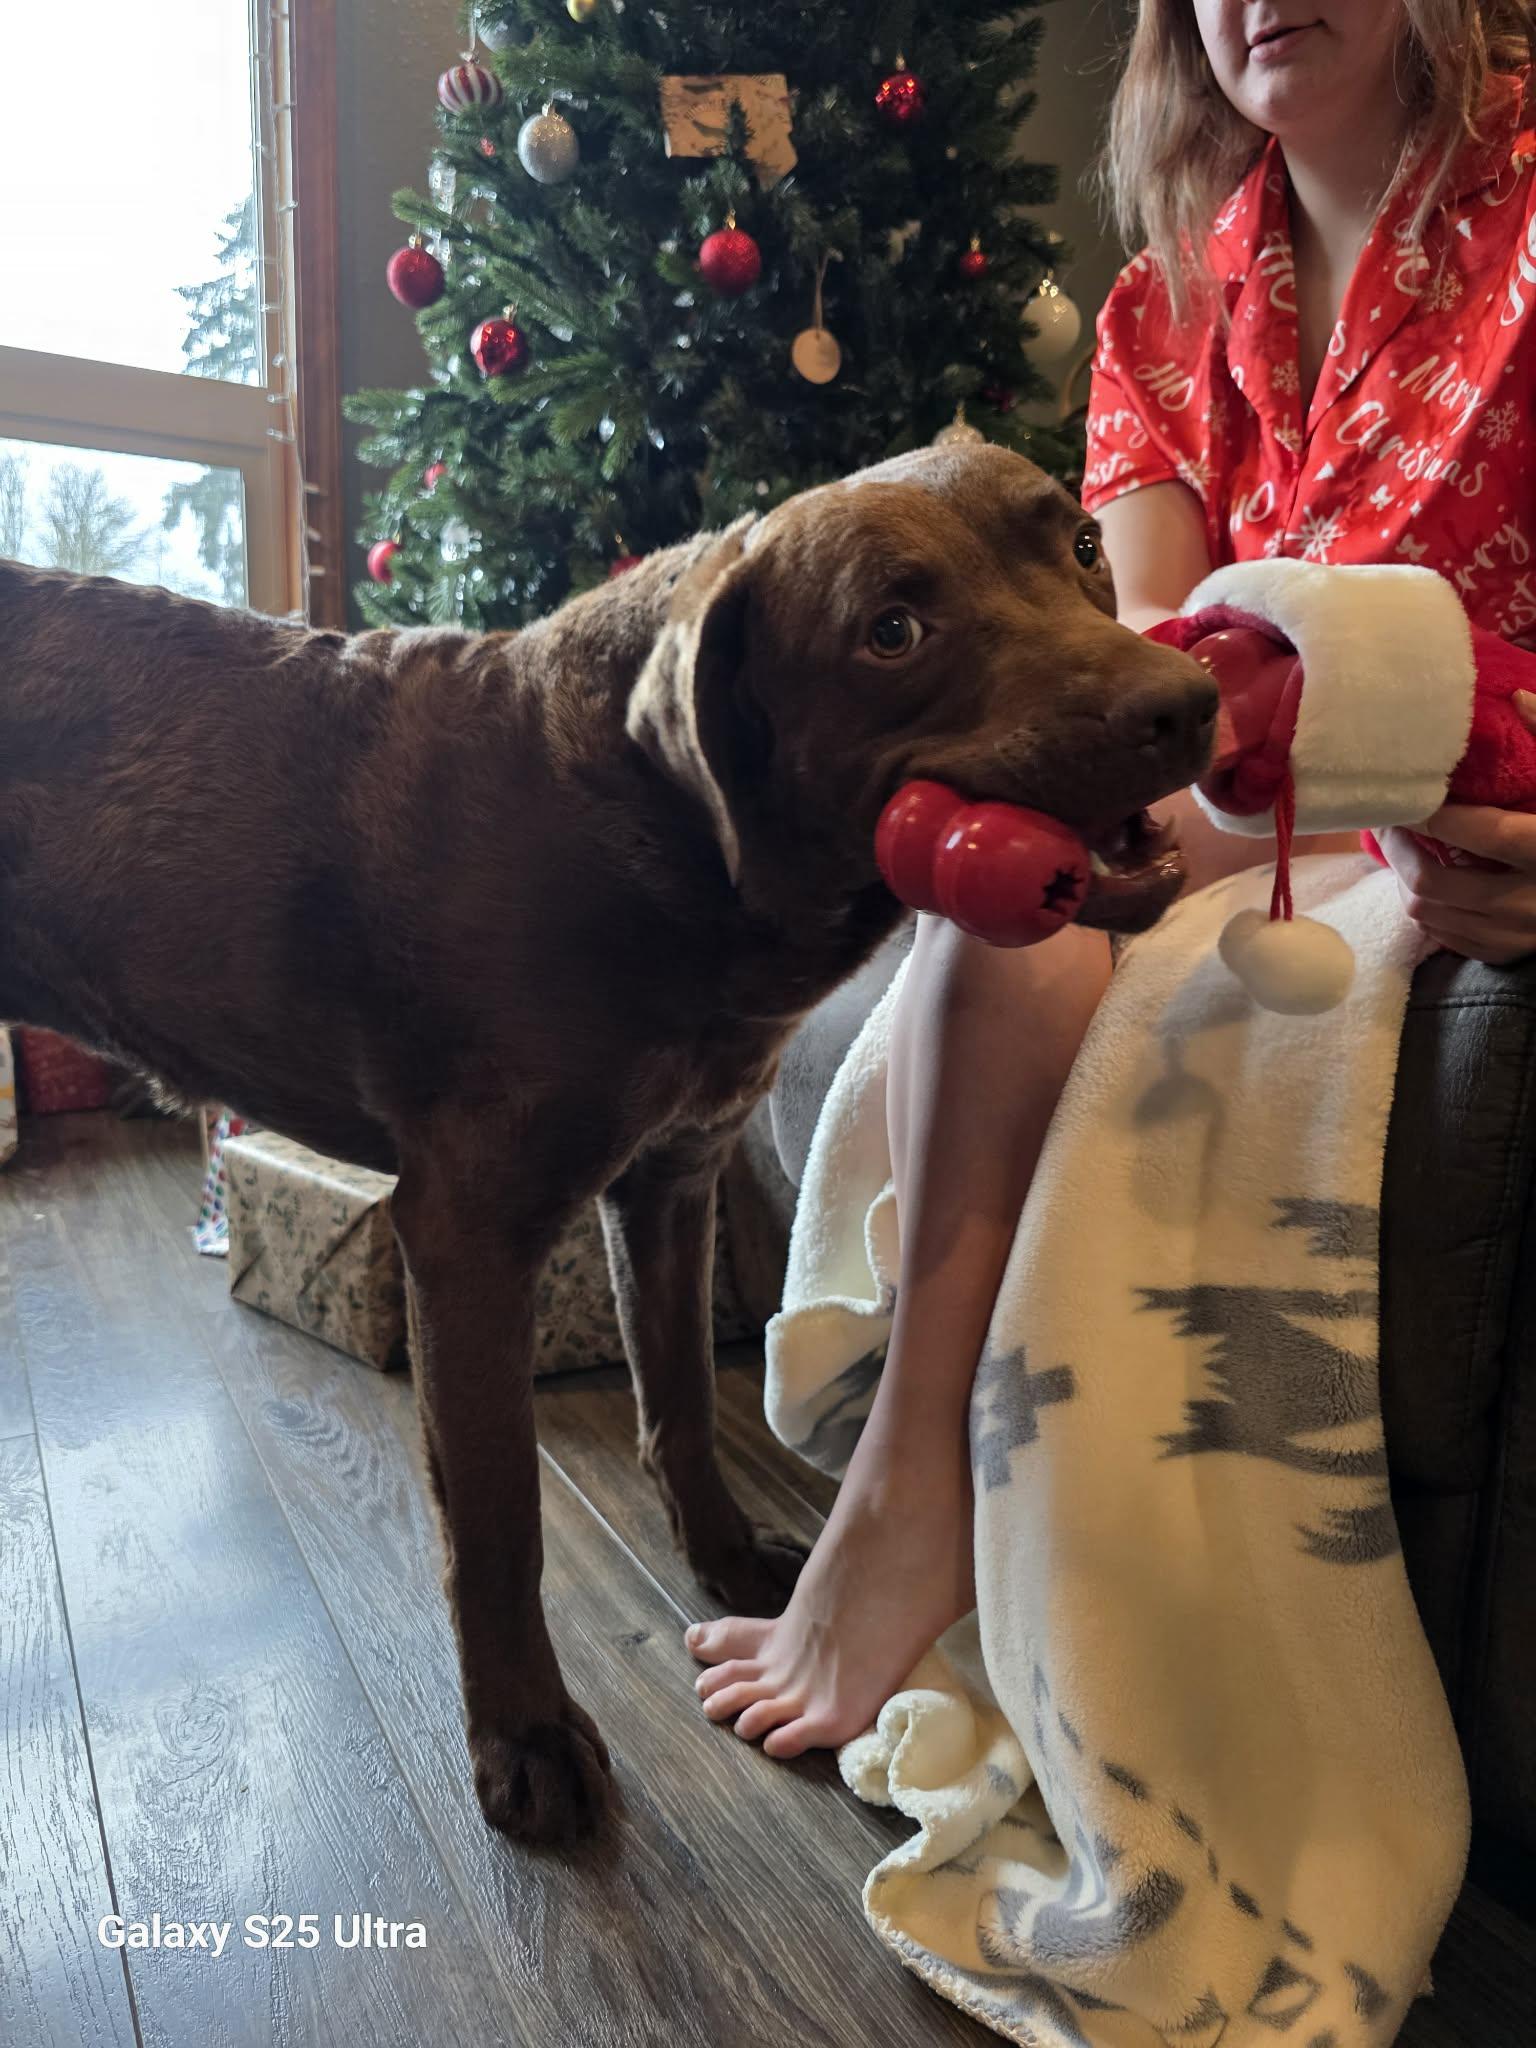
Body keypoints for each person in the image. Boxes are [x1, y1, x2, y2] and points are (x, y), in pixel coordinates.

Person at [688, 0, 1536, 1757]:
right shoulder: (1166, 304)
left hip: (1467, 791)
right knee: (1022, 905)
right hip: (1238, 773)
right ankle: (913, 1491)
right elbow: (1144, 649)